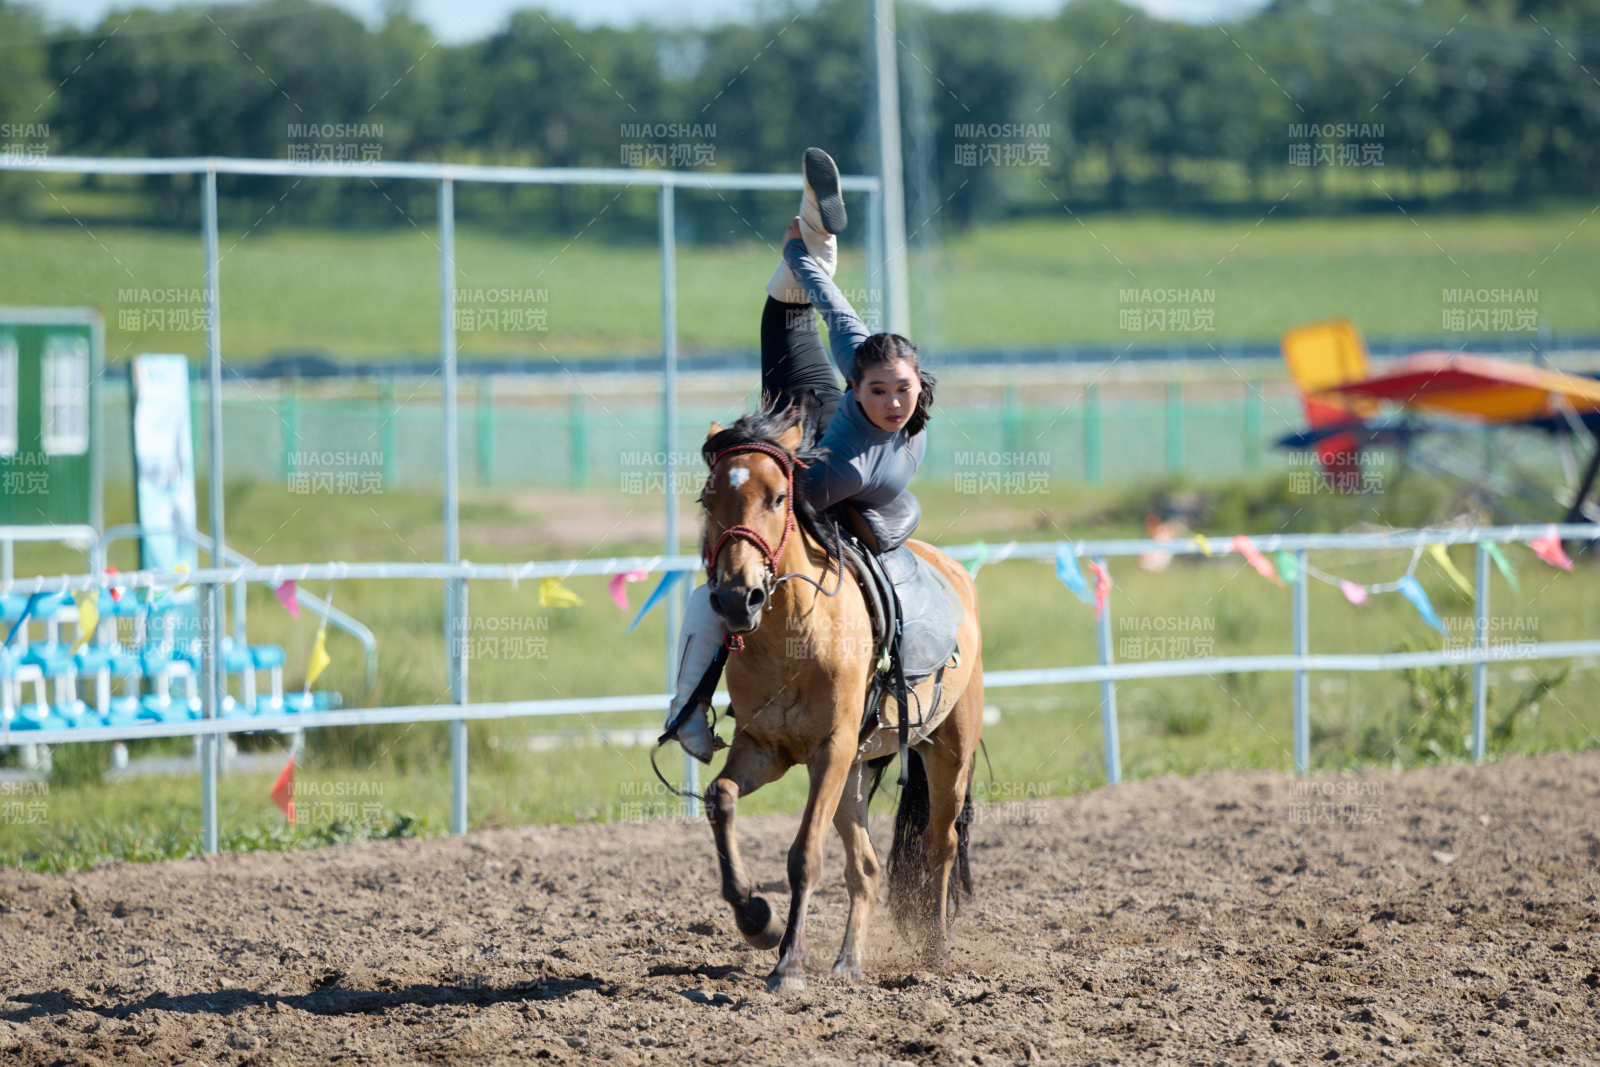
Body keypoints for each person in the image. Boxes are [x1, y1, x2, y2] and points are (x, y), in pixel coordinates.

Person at [663, 148, 937, 762]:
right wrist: (801, 249)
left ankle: (685, 708)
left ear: (918, 388)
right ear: (860, 378)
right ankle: (815, 217)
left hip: (816, 466)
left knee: (725, 576)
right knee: (788, 306)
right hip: (810, 408)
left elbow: (773, 504)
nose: (894, 400)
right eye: (881, 389)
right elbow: (831, 302)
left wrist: (734, 459)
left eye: (901, 392)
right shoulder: (872, 365)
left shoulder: (851, 468)